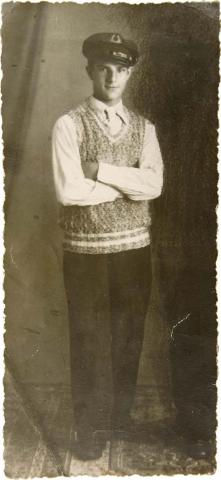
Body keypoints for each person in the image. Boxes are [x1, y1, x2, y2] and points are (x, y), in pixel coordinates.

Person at [52, 32, 163, 461]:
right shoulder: (68, 124)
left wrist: (99, 170)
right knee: (89, 340)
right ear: (90, 70)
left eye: (121, 68)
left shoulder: (145, 128)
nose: (112, 75)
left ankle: (118, 419)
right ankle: (90, 432)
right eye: (104, 66)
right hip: (85, 252)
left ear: (131, 73)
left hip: (135, 249)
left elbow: (153, 184)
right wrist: (124, 186)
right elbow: (68, 191)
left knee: (127, 336)